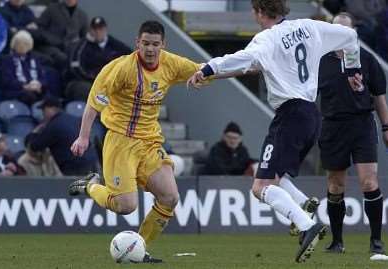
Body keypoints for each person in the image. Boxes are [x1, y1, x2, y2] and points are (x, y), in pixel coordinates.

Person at [187, 0, 363, 263]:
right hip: (311, 116)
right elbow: (350, 36)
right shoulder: (310, 26)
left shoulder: (266, 40)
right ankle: (304, 203)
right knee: (276, 176)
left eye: (254, 10)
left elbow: (240, 58)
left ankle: (307, 225)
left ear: (260, 12)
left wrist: (207, 68)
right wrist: (352, 69)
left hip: (289, 115)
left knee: (260, 186)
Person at [68, 20, 202, 263]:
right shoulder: (120, 69)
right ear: (137, 43)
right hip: (121, 141)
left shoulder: (171, 64)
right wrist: (83, 136)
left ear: (163, 45)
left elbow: (202, 70)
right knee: (125, 206)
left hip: (149, 141)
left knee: (170, 198)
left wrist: (243, 66)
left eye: (155, 44)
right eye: (146, 43)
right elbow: (93, 102)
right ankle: (90, 185)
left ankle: (139, 249)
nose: (150, 49)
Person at [318, 13, 388, 257]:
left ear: (353, 32)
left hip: (362, 124)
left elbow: (379, 96)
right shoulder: (320, 60)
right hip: (332, 126)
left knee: (369, 181)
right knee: (335, 184)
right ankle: (337, 241)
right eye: (337, 31)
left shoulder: (367, 60)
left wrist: (386, 126)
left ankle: (376, 241)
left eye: (346, 31)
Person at [28, 96, 99, 176]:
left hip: (75, 168)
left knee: (76, 188)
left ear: (50, 109)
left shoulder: (54, 125)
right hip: (93, 163)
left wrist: (34, 132)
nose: (43, 114)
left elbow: (35, 146)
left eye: (43, 110)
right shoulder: (74, 119)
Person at [65, 16, 131, 101]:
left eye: (100, 29)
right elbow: (76, 68)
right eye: (95, 29)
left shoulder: (115, 44)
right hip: (83, 81)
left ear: (105, 29)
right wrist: (97, 79)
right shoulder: (81, 46)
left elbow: (131, 58)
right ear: (90, 30)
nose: (98, 32)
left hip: (108, 83)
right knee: (90, 91)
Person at [34, 0, 88, 68]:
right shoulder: (52, 9)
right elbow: (40, 28)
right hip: (50, 46)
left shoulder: (82, 15)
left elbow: (84, 39)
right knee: (62, 59)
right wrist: (50, 39)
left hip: (70, 49)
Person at [0, 30, 48, 105]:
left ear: (30, 46)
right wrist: (24, 86)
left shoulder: (35, 59)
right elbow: (7, 80)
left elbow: (43, 78)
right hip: (16, 91)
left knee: (50, 99)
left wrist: (39, 85)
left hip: (34, 89)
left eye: (25, 44)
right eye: (19, 43)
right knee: (29, 96)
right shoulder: (7, 60)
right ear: (14, 45)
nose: (22, 46)